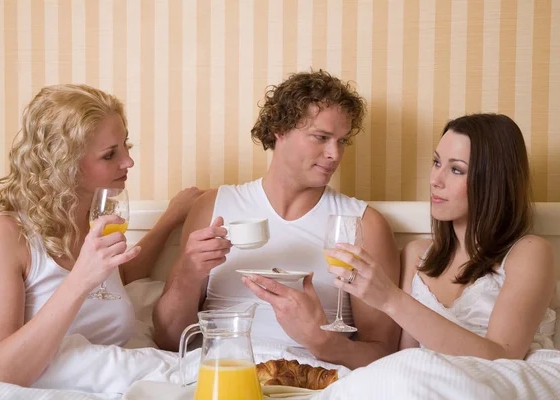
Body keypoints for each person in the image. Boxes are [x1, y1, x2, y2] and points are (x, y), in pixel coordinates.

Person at [153, 70, 401, 369]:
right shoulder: (214, 208)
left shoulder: (362, 224)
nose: (335, 154)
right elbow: (168, 339)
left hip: (311, 379)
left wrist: (320, 342)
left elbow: (382, 355)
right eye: (321, 137)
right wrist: (188, 274)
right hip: (220, 373)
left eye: (342, 140)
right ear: (279, 131)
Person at [0, 84, 204, 386]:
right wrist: (81, 279)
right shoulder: (3, 237)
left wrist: (169, 219)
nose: (128, 162)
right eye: (110, 155)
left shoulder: (93, 222)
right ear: (64, 164)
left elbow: (120, 275)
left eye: (126, 147)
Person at [325, 113, 556, 360]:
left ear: (493, 181)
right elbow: (407, 360)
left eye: (456, 170)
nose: (435, 180)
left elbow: (502, 357)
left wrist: (390, 298)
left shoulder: (530, 253)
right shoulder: (419, 256)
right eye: (436, 163)